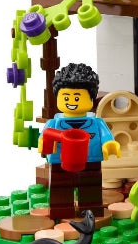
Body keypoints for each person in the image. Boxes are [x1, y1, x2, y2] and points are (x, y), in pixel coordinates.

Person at [39, 63, 119, 219]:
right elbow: (45, 136)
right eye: (66, 97)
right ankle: (61, 210)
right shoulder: (54, 123)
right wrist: (43, 142)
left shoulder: (96, 123)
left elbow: (106, 136)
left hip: (90, 161)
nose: (72, 102)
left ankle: (90, 209)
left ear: (91, 98)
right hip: (60, 162)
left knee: (90, 186)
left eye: (77, 97)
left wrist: (109, 144)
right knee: (61, 186)